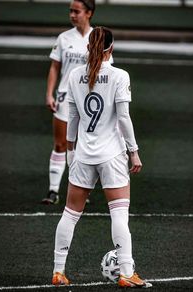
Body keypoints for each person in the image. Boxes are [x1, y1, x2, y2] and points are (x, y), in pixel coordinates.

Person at [51, 27, 152, 288]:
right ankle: (127, 273)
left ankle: (58, 271)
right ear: (112, 48)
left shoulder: (74, 76)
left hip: (84, 155)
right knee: (119, 215)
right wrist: (134, 151)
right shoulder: (120, 75)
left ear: (88, 47)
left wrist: (72, 152)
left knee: (70, 214)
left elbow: (72, 118)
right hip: (112, 156)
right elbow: (123, 117)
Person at [42, 0, 96, 204]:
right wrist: (49, 94)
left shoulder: (97, 38)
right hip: (65, 97)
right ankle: (53, 191)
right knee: (61, 143)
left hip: (88, 100)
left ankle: (80, 190)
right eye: (70, 11)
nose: (72, 15)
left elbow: (106, 68)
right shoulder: (64, 38)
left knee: (83, 146)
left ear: (89, 13)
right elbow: (55, 67)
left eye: (77, 11)